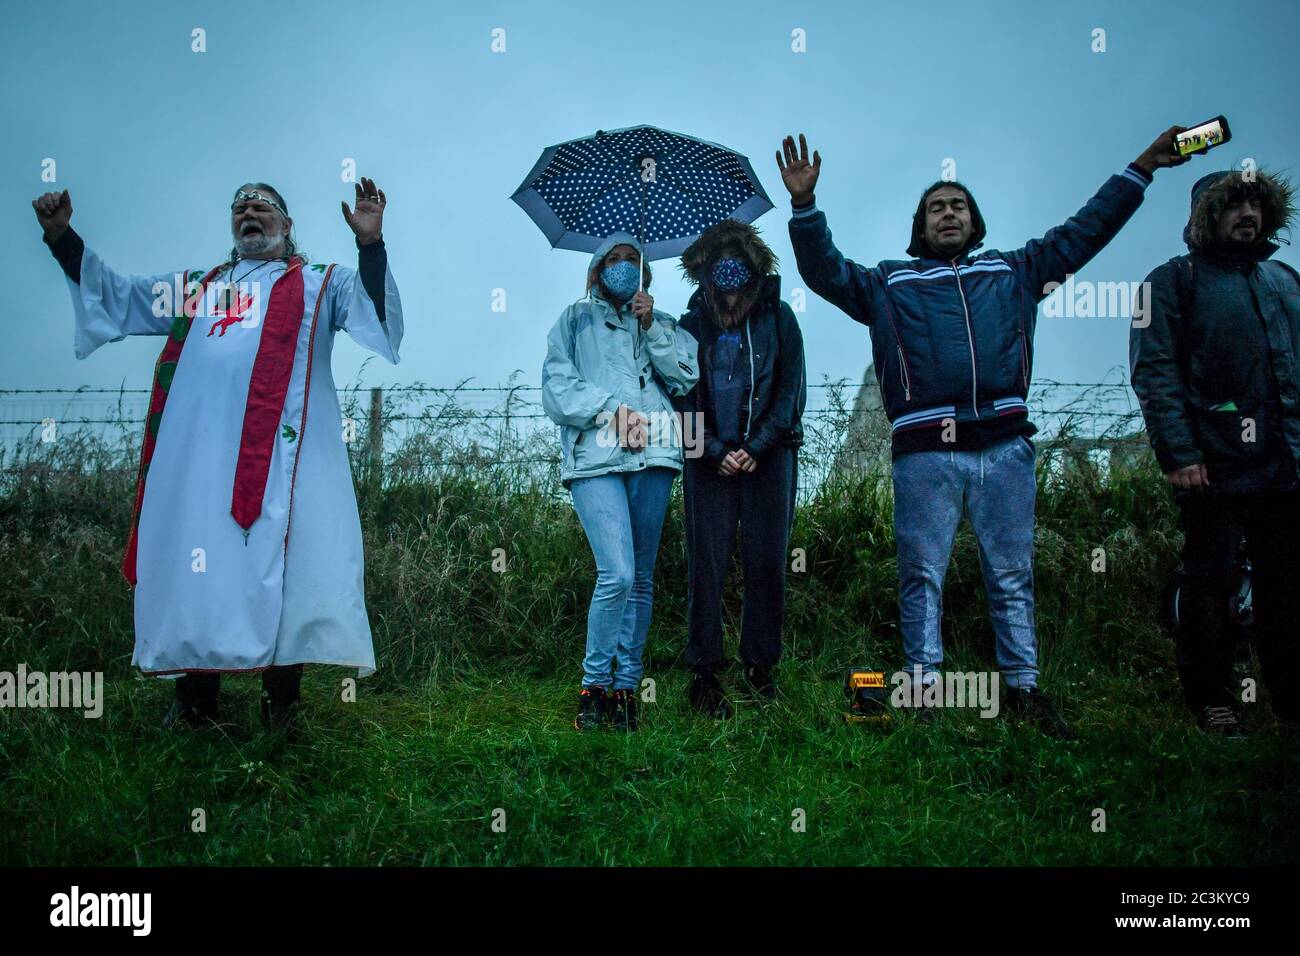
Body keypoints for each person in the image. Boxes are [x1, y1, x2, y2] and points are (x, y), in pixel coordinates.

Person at [780, 127, 1191, 738]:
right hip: (925, 454)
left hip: (1003, 449)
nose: (949, 213)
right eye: (937, 207)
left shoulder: (1017, 271)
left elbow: (1086, 230)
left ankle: (1024, 691)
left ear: (975, 221)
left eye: (960, 205)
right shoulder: (889, 283)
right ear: (921, 226)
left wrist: (1144, 166)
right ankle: (923, 686)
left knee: (1011, 573)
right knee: (921, 572)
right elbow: (825, 272)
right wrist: (805, 207)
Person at [32, 178, 403, 731]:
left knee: (290, 569)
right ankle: (195, 702)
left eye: (262, 207)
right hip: (198, 465)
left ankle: (282, 706)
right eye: (240, 209)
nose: (249, 214)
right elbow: (121, 296)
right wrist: (63, 238)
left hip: (285, 461)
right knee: (197, 570)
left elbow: (377, 318)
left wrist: (370, 245)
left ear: (286, 224)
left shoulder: (319, 285)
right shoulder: (197, 290)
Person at [1130, 168, 1299, 735]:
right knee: (1210, 579)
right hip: (1214, 462)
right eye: (1233, 206)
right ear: (1206, 216)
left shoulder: (1285, 280)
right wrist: (1179, 454)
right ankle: (1212, 696)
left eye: (1255, 204)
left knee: (1287, 582)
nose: (1247, 215)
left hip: (1287, 461)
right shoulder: (1171, 281)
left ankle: (1289, 697)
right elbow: (1154, 371)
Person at [541, 232, 699, 732]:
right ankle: (593, 687)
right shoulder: (573, 320)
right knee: (619, 574)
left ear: (646, 272)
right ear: (597, 268)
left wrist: (651, 327)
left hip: (656, 455)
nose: (625, 266)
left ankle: (627, 690)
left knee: (643, 578)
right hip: (596, 460)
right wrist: (612, 413)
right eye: (615, 259)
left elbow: (686, 377)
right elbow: (557, 390)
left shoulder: (661, 322)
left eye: (634, 259)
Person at [674, 220, 806, 715]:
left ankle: (760, 668)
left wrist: (758, 444)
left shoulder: (780, 320)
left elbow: (790, 391)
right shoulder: (689, 329)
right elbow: (679, 398)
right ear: (704, 274)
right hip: (707, 465)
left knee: (768, 562)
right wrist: (710, 450)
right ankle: (705, 672)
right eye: (718, 263)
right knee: (704, 565)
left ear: (754, 270)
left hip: (770, 459)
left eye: (738, 261)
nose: (728, 271)